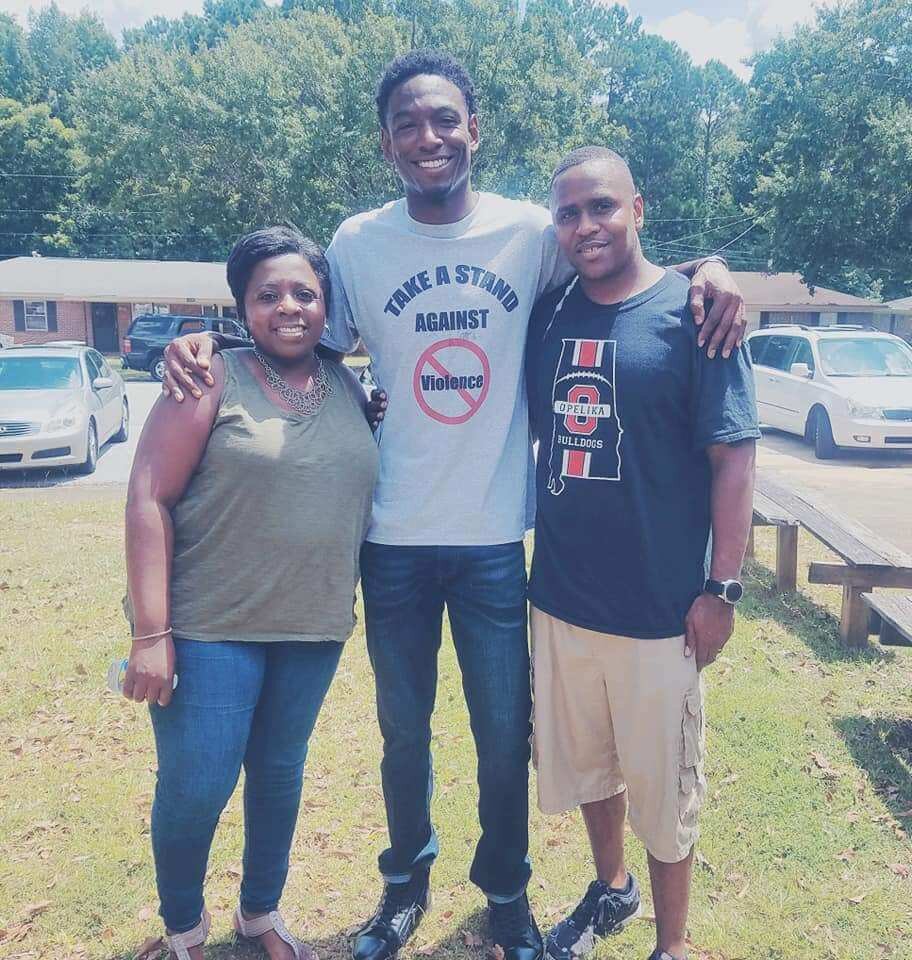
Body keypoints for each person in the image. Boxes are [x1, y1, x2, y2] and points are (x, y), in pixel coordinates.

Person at [160, 51, 748, 960]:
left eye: (444, 120)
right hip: (390, 535)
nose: (427, 138)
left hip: (490, 539)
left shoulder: (531, 231)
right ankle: (404, 888)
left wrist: (713, 267)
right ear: (386, 140)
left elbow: (621, 259)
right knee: (403, 731)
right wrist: (207, 336)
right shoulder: (356, 243)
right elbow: (302, 330)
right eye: (407, 123)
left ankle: (506, 891)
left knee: (502, 731)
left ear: (476, 129)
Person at [525, 147, 759, 960]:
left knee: (666, 794)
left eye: (602, 207)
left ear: (638, 208)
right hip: (560, 599)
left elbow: (733, 459)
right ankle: (610, 888)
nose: (586, 226)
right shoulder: (550, 313)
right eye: (569, 213)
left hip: (662, 611)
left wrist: (721, 590)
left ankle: (670, 944)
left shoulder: (696, 314)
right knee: (592, 771)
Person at [123, 226, 379, 960]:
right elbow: (148, 498)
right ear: (242, 307)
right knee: (199, 783)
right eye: (268, 295)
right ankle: (183, 928)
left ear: (327, 305)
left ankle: (260, 914)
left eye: (305, 293)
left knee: (276, 776)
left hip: (312, 625)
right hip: (209, 627)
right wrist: (151, 634)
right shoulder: (207, 377)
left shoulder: (348, 383)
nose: (289, 307)